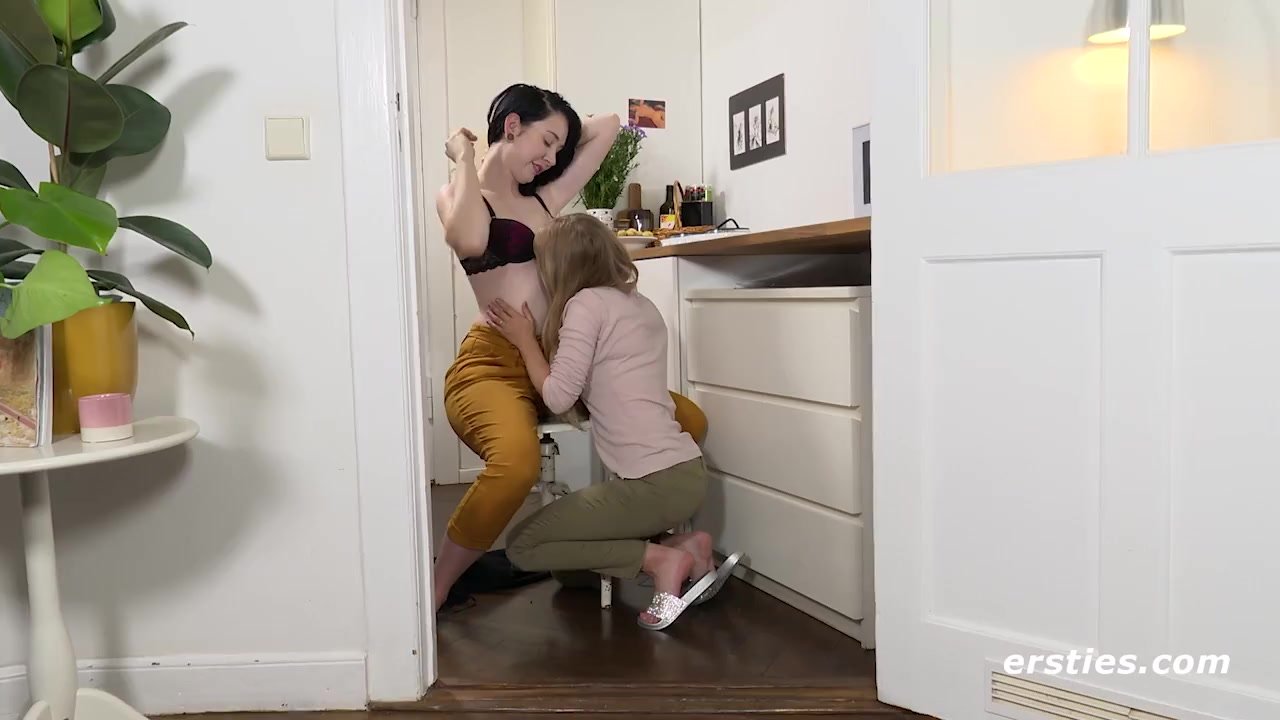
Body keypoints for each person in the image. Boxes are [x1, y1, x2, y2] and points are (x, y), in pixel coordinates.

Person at [433, 84, 709, 611]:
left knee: (689, 422)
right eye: (546, 142)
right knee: (516, 465)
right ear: (511, 125)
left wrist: (556, 136)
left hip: (562, 360)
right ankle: (440, 584)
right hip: (495, 361)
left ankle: (645, 545)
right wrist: (466, 154)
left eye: (560, 148)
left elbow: (607, 127)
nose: (552, 158)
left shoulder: (545, 198)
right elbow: (469, 241)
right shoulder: (458, 195)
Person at [483, 214, 742, 630]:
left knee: (523, 546)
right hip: (686, 472)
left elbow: (558, 396)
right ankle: (686, 544)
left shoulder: (585, 305)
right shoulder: (640, 304)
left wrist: (525, 340)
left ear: (559, 266)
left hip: (651, 485)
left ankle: (661, 560)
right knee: (568, 568)